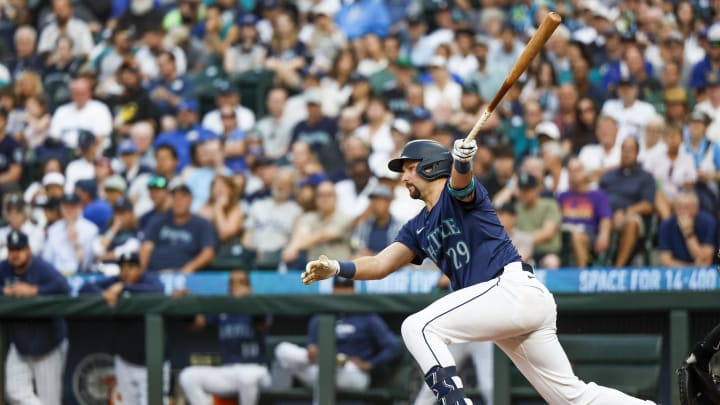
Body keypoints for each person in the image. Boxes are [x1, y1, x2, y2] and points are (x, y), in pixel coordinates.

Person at [300, 139, 656, 405]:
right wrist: (336, 266)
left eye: (408, 166)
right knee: (570, 398)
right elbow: (379, 265)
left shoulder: (456, 195)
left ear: (428, 167)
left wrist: (462, 162)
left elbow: (461, 183)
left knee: (417, 326)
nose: (403, 175)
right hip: (508, 307)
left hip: (510, 288)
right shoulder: (416, 227)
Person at [274, 276, 400, 393]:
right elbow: (312, 346)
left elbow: (393, 347)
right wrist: (312, 352)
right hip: (322, 367)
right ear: (333, 290)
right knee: (282, 349)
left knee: (344, 369)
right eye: (339, 288)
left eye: (346, 288)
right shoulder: (321, 315)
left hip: (352, 373)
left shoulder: (367, 316)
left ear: (353, 290)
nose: (342, 292)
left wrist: (370, 364)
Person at [79, 251, 164, 405]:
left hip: (152, 363)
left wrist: (124, 288)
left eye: (131, 267)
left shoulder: (149, 280)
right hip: (125, 360)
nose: (126, 271)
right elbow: (84, 288)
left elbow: (158, 291)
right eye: (123, 267)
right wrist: (104, 294)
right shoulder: (116, 280)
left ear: (140, 268)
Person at [179, 270, 272, 405]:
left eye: (241, 282)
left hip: (256, 369)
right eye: (232, 283)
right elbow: (197, 324)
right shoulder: (223, 307)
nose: (236, 286)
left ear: (250, 287)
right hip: (228, 370)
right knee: (188, 376)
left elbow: (263, 324)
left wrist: (250, 300)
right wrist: (187, 303)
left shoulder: (258, 304)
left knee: (246, 377)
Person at [0, 230, 70, 405]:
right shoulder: (4, 268)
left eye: (19, 249)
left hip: (47, 345)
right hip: (20, 345)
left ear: (28, 250)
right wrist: (3, 291)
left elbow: (64, 287)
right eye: (11, 250)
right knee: (13, 392)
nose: (15, 254)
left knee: (51, 401)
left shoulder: (41, 267)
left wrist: (36, 291)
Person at [599, 137, 656, 267]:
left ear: (637, 153)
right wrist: (607, 216)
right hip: (606, 217)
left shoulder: (645, 177)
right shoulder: (609, 175)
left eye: (630, 150)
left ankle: (618, 268)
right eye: (624, 149)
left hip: (630, 216)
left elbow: (648, 205)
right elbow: (598, 199)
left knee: (631, 222)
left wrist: (625, 212)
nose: (626, 153)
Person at [140, 181, 217, 273]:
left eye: (183, 197)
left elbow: (208, 252)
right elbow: (146, 247)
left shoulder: (202, 224)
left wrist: (188, 269)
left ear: (191, 200)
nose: (178, 201)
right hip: (154, 273)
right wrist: (142, 271)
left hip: (185, 275)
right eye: (175, 197)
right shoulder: (158, 221)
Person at [557, 158, 612, 268]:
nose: (574, 174)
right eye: (571, 171)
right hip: (564, 234)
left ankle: (582, 273)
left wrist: (604, 234)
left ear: (586, 172)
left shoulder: (597, 195)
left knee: (576, 235)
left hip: (588, 233)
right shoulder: (562, 196)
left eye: (578, 170)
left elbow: (606, 217)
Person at [42, 192, 99, 274]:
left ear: (79, 207)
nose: (69, 210)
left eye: (72, 207)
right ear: (61, 208)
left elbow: (88, 263)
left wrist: (75, 243)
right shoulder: (54, 229)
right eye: (66, 207)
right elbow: (47, 259)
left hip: (80, 275)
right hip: (57, 275)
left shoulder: (91, 229)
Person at [658, 191, 717, 267]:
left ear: (696, 208)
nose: (683, 211)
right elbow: (665, 260)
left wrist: (689, 234)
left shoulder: (708, 222)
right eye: (679, 207)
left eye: (687, 207)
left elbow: (705, 260)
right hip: (680, 271)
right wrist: (691, 268)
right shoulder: (666, 225)